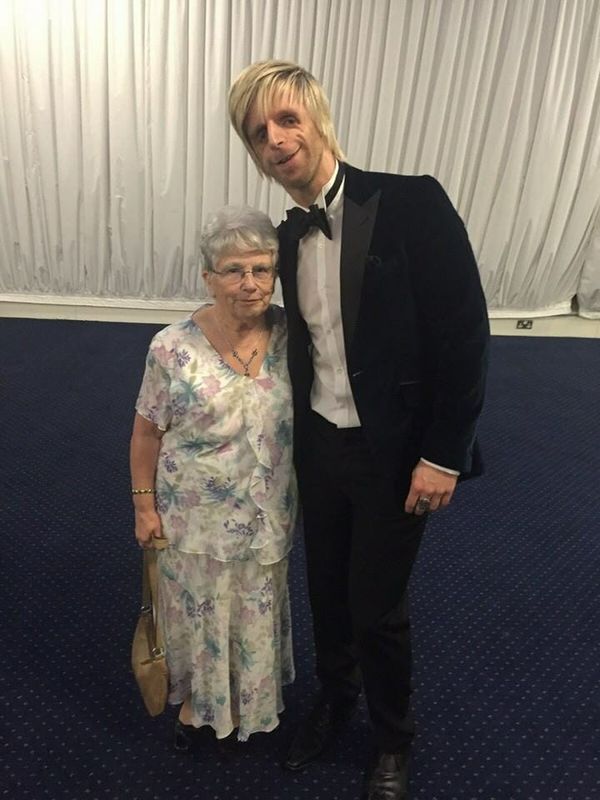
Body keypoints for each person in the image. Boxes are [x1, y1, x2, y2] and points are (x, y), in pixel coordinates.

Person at [228, 60, 490, 798]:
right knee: (328, 593)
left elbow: (464, 336)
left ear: (316, 114)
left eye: (285, 119)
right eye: (258, 133)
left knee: (376, 605)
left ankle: (392, 738)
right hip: (320, 445)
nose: (276, 140)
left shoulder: (412, 204)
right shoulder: (285, 235)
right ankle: (335, 700)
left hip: (397, 451)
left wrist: (444, 453)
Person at [130, 205, 297, 748]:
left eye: (262, 269)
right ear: (208, 277)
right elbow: (146, 434)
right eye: (234, 270)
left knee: (252, 604)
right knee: (201, 610)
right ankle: (200, 704)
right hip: (195, 518)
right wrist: (144, 506)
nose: (250, 284)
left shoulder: (295, 339)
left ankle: (250, 699)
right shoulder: (170, 348)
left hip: (266, 512)